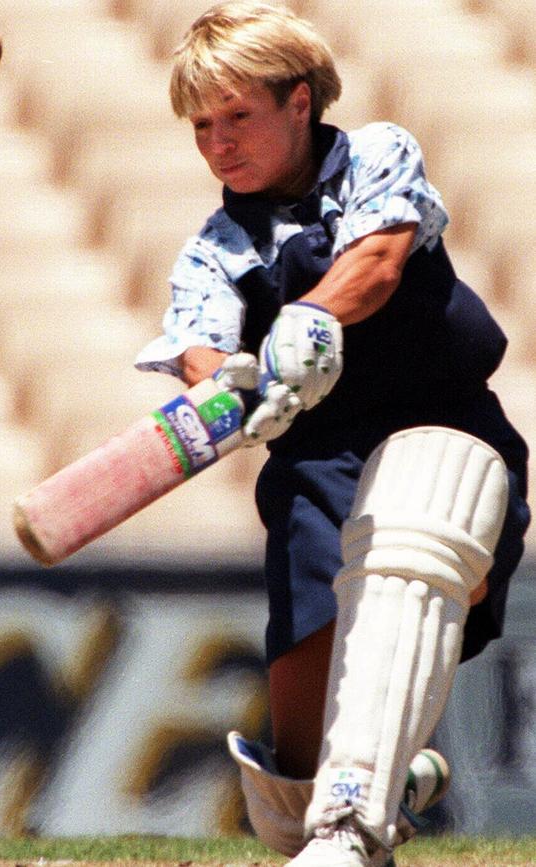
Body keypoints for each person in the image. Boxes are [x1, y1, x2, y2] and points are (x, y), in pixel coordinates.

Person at [134, 3, 531, 865]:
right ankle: (395, 781)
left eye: (238, 115)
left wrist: (306, 321)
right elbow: (199, 345)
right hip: (318, 463)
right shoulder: (214, 249)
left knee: (411, 556)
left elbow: (379, 261)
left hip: (444, 427)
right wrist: (232, 385)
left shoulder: (375, 154)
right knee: (292, 803)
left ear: (300, 102)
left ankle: (362, 810)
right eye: (202, 125)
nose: (218, 143)